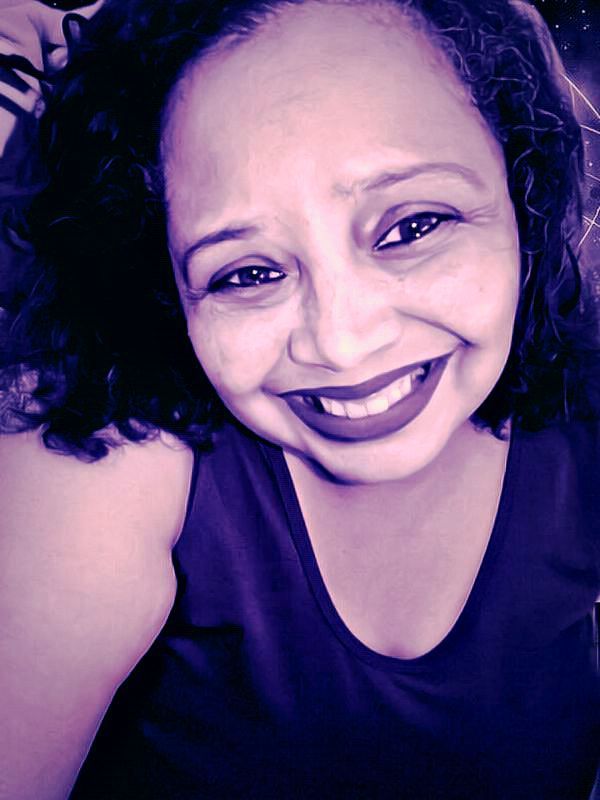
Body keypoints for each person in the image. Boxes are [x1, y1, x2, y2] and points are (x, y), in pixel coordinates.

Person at [0, 0, 599, 797]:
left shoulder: (580, 420)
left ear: (521, 192)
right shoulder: (99, 448)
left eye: (413, 225)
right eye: (246, 273)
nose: (342, 342)